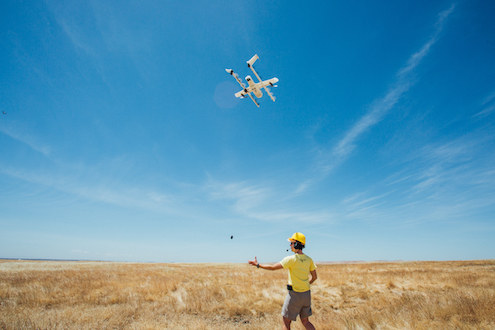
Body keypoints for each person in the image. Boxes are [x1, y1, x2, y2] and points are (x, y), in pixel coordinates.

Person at [248, 232, 317, 330]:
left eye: (292, 243)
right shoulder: (309, 259)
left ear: (297, 244)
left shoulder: (291, 259)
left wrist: (258, 265)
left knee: (286, 321)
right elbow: (314, 277)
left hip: (295, 295)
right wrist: (306, 284)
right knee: (305, 321)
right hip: (306, 294)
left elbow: (272, 268)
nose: (290, 245)